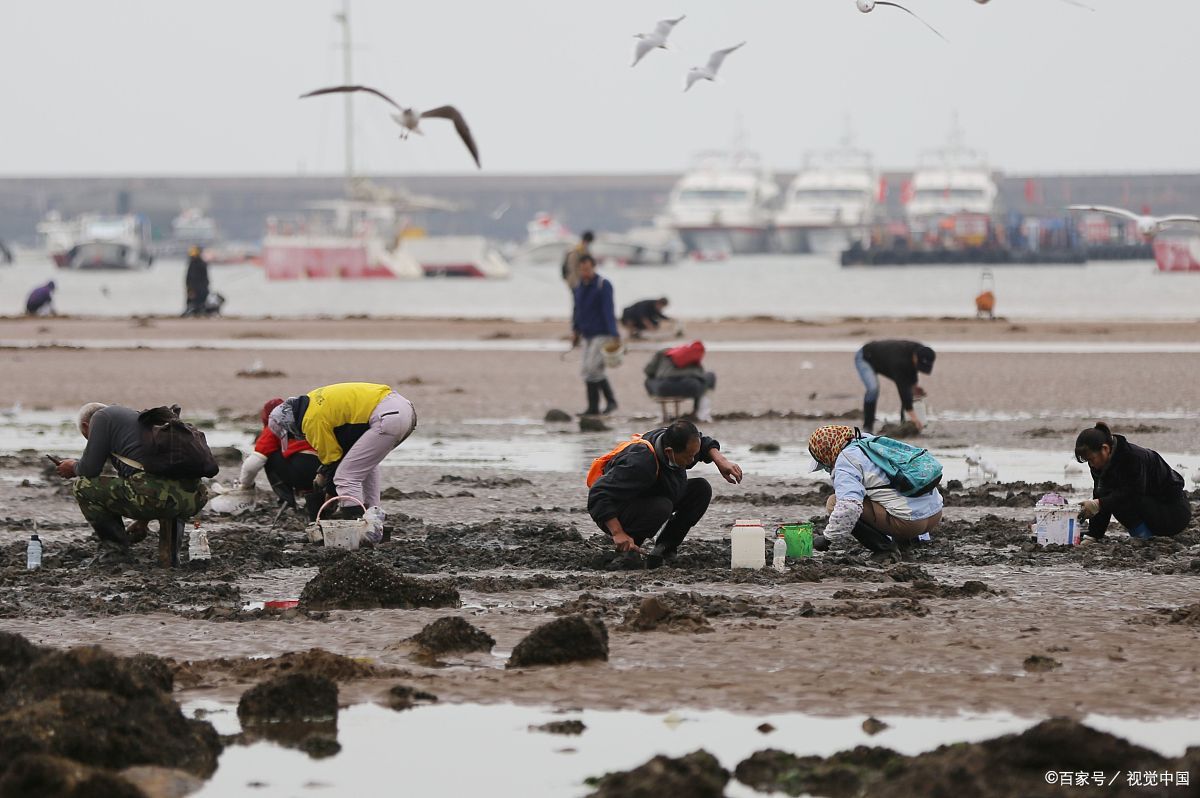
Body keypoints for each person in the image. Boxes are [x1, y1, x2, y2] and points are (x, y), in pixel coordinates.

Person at [54, 403, 208, 566]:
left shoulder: (100, 417)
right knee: (170, 491)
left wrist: (72, 467)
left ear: (86, 427)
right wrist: (143, 521)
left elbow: (90, 469)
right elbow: (154, 475)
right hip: (194, 497)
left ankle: (116, 553)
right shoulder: (138, 421)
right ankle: (169, 557)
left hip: (159, 497)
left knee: (82, 486)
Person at [588, 419, 743, 569]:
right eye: (689, 456)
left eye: (695, 454)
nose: (693, 460)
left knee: (700, 489)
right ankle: (629, 549)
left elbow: (703, 443)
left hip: (653, 493)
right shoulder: (639, 463)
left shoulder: (672, 440)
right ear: (669, 452)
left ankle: (664, 548)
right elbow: (598, 493)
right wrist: (618, 533)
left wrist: (721, 461)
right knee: (662, 507)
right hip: (616, 511)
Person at [268, 382, 416, 519]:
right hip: (404, 410)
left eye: (291, 435)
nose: (298, 437)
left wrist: (329, 494)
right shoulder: (313, 401)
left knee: (345, 478)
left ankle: (353, 527)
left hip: (387, 417)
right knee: (364, 466)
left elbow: (334, 460)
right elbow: (344, 449)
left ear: (290, 425)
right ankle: (373, 518)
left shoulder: (310, 420)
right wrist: (323, 474)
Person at [809, 425, 943, 561]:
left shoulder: (846, 460)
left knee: (835, 502)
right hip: (934, 513)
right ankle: (906, 545)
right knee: (884, 492)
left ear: (825, 451)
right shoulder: (869, 441)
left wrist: (827, 538)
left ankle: (885, 550)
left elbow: (849, 507)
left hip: (910, 523)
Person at [1075, 422, 1190, 540]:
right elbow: (1101, 494)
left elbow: (1133, 494)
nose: (1091, 464)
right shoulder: (1099, 465)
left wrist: (1098, 504)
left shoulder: (1133, 457)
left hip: (1173, 512)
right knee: (1110, 498)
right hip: (1148, 506)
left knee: (1116, 500)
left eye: (1092, 459)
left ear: (1105, 449)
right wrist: (1094, 535)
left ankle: (1144, 536)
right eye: (1088, 461)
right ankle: (1140, 534)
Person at [238, 398, 322, 517]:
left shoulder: (274, 425)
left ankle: (287, 501)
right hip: (323, 469)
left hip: (302, 468)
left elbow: (253, 465)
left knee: (269, 457)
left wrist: (245, 485)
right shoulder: (304, 419)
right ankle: (317, 500)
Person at [572, 254, 619, 416]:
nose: (585, 272)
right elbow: (577, 310)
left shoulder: (602, 285)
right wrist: (575, 330)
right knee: (587, 370)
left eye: (588, 269)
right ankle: (594, 406)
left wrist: (614, 334)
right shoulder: (578, 287)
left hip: (602, 333)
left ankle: (608, 401)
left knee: (593, 368)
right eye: (582, 269)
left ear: (593, 267)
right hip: (586, 333)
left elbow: (608, 310)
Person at [855, 340, 936, 434]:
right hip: (865, 357)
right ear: (915, 357)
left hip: (884, 360)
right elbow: (902, 388)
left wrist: (915, 387)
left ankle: (904, 422)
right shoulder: (899, 361)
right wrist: (914, 417)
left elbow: (912, 373)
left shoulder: (921, 351)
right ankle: (867, 427)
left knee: (909, 392)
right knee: (873, 389)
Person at [643, 340, 716, 422]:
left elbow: (648, 371)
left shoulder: (663, 352)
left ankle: (663, 415)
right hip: (690, 386)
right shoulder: (693, 356)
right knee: (708, 377)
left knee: (648, 380)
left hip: (663, 387)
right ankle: (698, 412)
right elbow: (701, 375)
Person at [183, 245, 210, 317]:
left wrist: (191, 289)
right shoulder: (199, 263)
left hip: (198, 289)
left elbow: (191, 278)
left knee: (197, 306)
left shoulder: (197, 264)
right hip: (199, 289)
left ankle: (198, 314)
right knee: (196, 306)